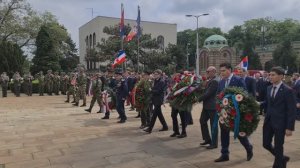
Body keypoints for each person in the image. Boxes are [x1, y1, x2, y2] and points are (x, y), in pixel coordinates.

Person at [215, 62, 253, 162]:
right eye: (221, 71)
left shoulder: (238, 80)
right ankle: (225, 154)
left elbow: (244, 94)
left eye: (223, 71)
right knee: (224, 133)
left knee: (239, 133)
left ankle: (249, 148)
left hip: (236, 112)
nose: (221, 73)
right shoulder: (221, 82)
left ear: (229, 70)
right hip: (224, 112)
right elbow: (219, 95)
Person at [262, 66, 296, 168]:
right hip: (268, 122)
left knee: (278, 146)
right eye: (269, 75)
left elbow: (291, 110)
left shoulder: (287, 90)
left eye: (273, 75)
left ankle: (278, 165)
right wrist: (257, 103)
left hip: (280, 123)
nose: (270, 77)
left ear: (281, 76)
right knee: (266, 144)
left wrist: (289, 128)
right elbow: (268, 103)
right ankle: (282, 158)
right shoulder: (268, 88)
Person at [199, 66, 219, 149]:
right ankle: (207, 139)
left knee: (213, 125)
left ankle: (214, 143)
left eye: (208, 71)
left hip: (212, 106)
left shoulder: (215, 81)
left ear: (213, 72)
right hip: (207, 105)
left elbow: (209, 93)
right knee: (202, 121)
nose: (207, 73)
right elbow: (205, 91)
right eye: (207, 71)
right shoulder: (209, 80)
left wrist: (198, 98)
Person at [144, 69, 168, 133]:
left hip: (159, 100)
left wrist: (151, 90)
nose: (155, 75)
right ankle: (165, 126)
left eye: (156, 74)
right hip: (155, 99)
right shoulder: (156, 80)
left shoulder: (161, 81)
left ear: (160, 75)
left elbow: (158, 91)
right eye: (154, 74)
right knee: (159, 114)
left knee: (154, 115)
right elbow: (154, 88)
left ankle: (150, 128)